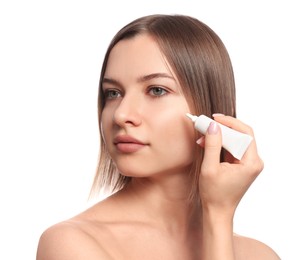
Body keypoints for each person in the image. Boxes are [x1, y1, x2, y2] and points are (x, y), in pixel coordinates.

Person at [36, 14, 280, 259]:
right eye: (113, 93)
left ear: (210, 108)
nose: (121, 114)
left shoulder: (260, 255)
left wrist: (219, 217)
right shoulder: (70, 244)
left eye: (156, 90)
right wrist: (218, 215)